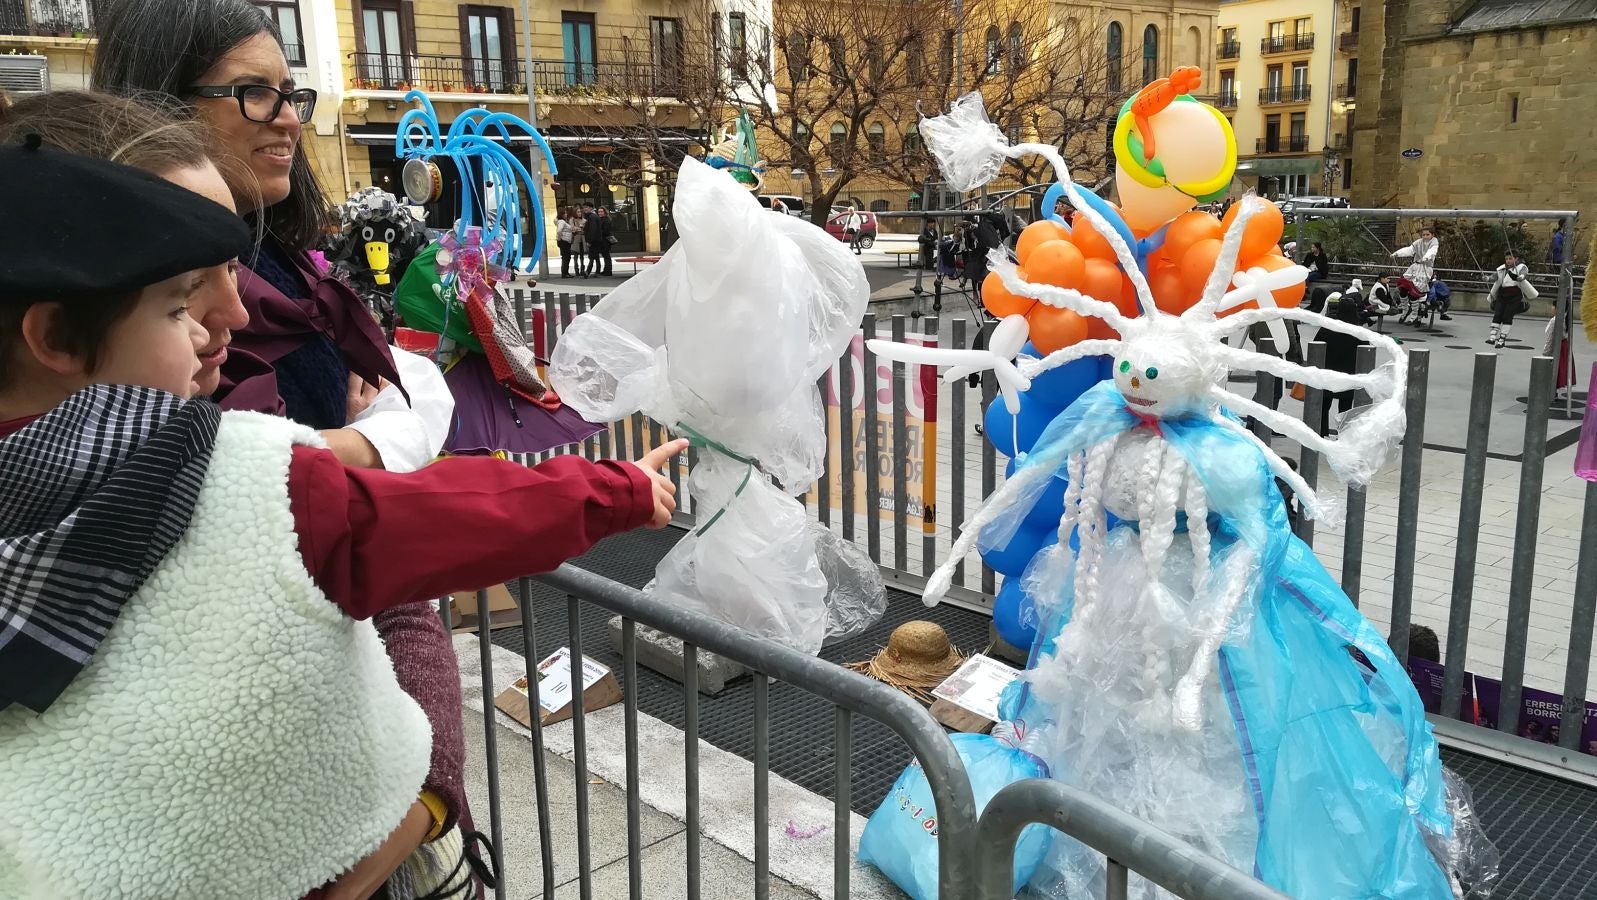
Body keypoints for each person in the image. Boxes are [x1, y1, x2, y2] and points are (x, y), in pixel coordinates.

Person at [0, 132, 692, 900]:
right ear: (55, 336)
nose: (211, 325)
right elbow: (453, 513)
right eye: (174, 309)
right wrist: (617, 490)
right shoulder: (238, 471)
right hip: (320, 853)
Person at [87, 1, 475, 892]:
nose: (289, 118)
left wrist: (427, 795)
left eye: (290, 92)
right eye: (253, 93)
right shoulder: (119, 341)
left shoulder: (289, 271)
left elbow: (370, 567)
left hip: (355, 761)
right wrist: (359, 447)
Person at [1313, 290, 1373, 434]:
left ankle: (1322, 432)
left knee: (1324, 405)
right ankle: (1344, 434)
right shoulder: (1358, 332)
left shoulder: (1328, 328)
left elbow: (1315, 346)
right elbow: (1367, 352)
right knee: (1345, 407)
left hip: (1328, 375)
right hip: (1349, 376)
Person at [1487, 250, 1533, 349]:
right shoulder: (1502, 268)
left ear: (1516, 259)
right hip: (1502, 294)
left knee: (1507, 317)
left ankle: (1502, 339)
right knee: (1497, 314)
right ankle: (1492, 336)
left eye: (1510, 258)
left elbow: (1523, 273)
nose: (1508, 261)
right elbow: (1495, 276)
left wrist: (1521, 277)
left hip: (1514, 296)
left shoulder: (1521, 267)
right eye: (1507, 259)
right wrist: (1488, 278)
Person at [1392, 226, 1439, 298]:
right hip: (1415, 266)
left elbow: (1432, 251)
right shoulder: (1418, 242)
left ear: (1432, 235)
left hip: (1426, 268)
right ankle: (1403, 300)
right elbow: (1410, 250)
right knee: (1405, 282)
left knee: (1418, 286)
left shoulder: (1434, 243)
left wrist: (1426, 257)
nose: (1425, 237)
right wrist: (1397, 253)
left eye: (1427, 235)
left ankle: (1417, 301)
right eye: (1423, 235)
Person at [581, 203, 603, 277]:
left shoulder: (592, 217)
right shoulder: (593, 216)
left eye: (587, 207)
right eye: (584, 207)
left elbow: (592, 230)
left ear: (591, 208)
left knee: (592, 256)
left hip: (594, 240)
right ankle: (597, 271)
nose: (585, 209)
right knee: (596, 256)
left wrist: (589, 241)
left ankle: (588, 271)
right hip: (597, 239)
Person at [568, 207, 590, 277]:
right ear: (575, 213)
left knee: (582, 255)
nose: (579, 213)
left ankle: (582, 270)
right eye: (578, 212)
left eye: (580, 212)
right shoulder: (572, 219)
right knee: (575, 255)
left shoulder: (584, 220)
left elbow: (585, 229)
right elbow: (572, 228)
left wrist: (578, 229)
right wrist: (579, 229)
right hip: (575, 239)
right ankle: (576, 270)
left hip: (583, 239)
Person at [593, 206, 615, 276]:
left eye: (601, 211)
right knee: (605, 255)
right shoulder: (601, 219)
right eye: (599, 212)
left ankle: (608, 271)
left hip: (605, 241)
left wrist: (598, 232)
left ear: (605, 212)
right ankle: (606, 270)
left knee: (606, 255)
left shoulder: (606, 220)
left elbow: (606, 231)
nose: (600, 213)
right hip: (602, 240)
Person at [555, 205, 575, 278]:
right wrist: (560, 238)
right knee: (566, 257)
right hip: (564, 241)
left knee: (566, 257)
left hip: (565, 241)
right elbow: (559, 231)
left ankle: (566, 272)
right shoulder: (562, 222)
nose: (566, 214)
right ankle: (565, 273)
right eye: (565, 213)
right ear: (562, 214)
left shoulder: (562, 221)